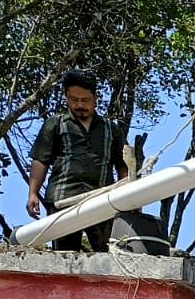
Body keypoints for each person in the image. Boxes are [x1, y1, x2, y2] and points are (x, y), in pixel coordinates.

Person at [26, 71, 128, 252]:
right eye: (74, 100)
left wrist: (128, 196)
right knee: (64, 257)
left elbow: (124, 165)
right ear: (66, 97)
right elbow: (40, 160)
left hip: (102, 200)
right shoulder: (55, 124)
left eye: (85, 100)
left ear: (95, 98)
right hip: (63, 200)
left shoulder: (110, 129)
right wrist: (33, 193)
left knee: (108, 254)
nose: (79, 105)